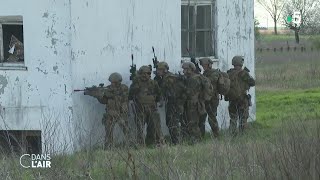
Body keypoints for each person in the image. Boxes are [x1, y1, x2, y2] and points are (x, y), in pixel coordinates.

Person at [84, 72, 129, 149]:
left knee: (126, 130)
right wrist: (99, 96)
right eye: (112, 83)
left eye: (115, 83)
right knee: (108, 132)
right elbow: (104, 101)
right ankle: (109, 147)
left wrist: (110, 94)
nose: (113, 84)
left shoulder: (124, 88)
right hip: (110, 114)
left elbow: (122, 96)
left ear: (119, 82)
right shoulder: (108, 89)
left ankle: (130, 144)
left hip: (121, 114)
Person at [128, 65, 163, 146]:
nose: (145, 75)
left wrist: (159, 101)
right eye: (143, 74)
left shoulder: (153, 83)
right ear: (140, 74)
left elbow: (159, 94)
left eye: (147, 73)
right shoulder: (136, 83)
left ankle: (153, 143)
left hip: (152, 109)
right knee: (140, 128)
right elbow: (130, 96)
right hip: (140, 109)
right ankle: (140, 144)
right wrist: (135, 84)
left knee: (154, 127)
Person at [181, 62, 212, 143]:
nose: (184, 71)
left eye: (185, 69)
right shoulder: (199, 77)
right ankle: (201, 138)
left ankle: (197, 140)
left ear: (190, 69)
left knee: (193, 123)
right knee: (200, 123)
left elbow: (189, 92)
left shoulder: (193, 79)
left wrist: (182, 88)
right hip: (199, 103)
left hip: (193, 104)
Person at [156, 61, 186, 145]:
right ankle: (177, 140)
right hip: (177, 102)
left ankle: (176, 141)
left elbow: (162, 91)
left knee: (172, 122)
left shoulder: (167, 78)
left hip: (173, 103)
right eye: (158, 69)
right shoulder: (172, 76)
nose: (158, 71)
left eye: (160, 70)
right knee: (174, 121)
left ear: (165, 70)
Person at [225, 56, 255, 135]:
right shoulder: (243, 73)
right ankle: (243, 135)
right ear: (241, 63)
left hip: (232, 100)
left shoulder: (228, 73)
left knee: (233, 118)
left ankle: (232, 134)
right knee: (243, 118)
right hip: (242, 99)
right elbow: (252, 83)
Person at [199, 58, 220, 137]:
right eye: (202, 65)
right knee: (202, 117)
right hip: (205, 98)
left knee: (211, 118)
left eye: (204, 65)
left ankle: (216, 134)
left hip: (213, 99)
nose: (203, 67)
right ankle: (201, 135)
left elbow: (210, 81)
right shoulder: (204, 73)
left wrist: (200, 77)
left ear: (209, 65)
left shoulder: (215, 73)